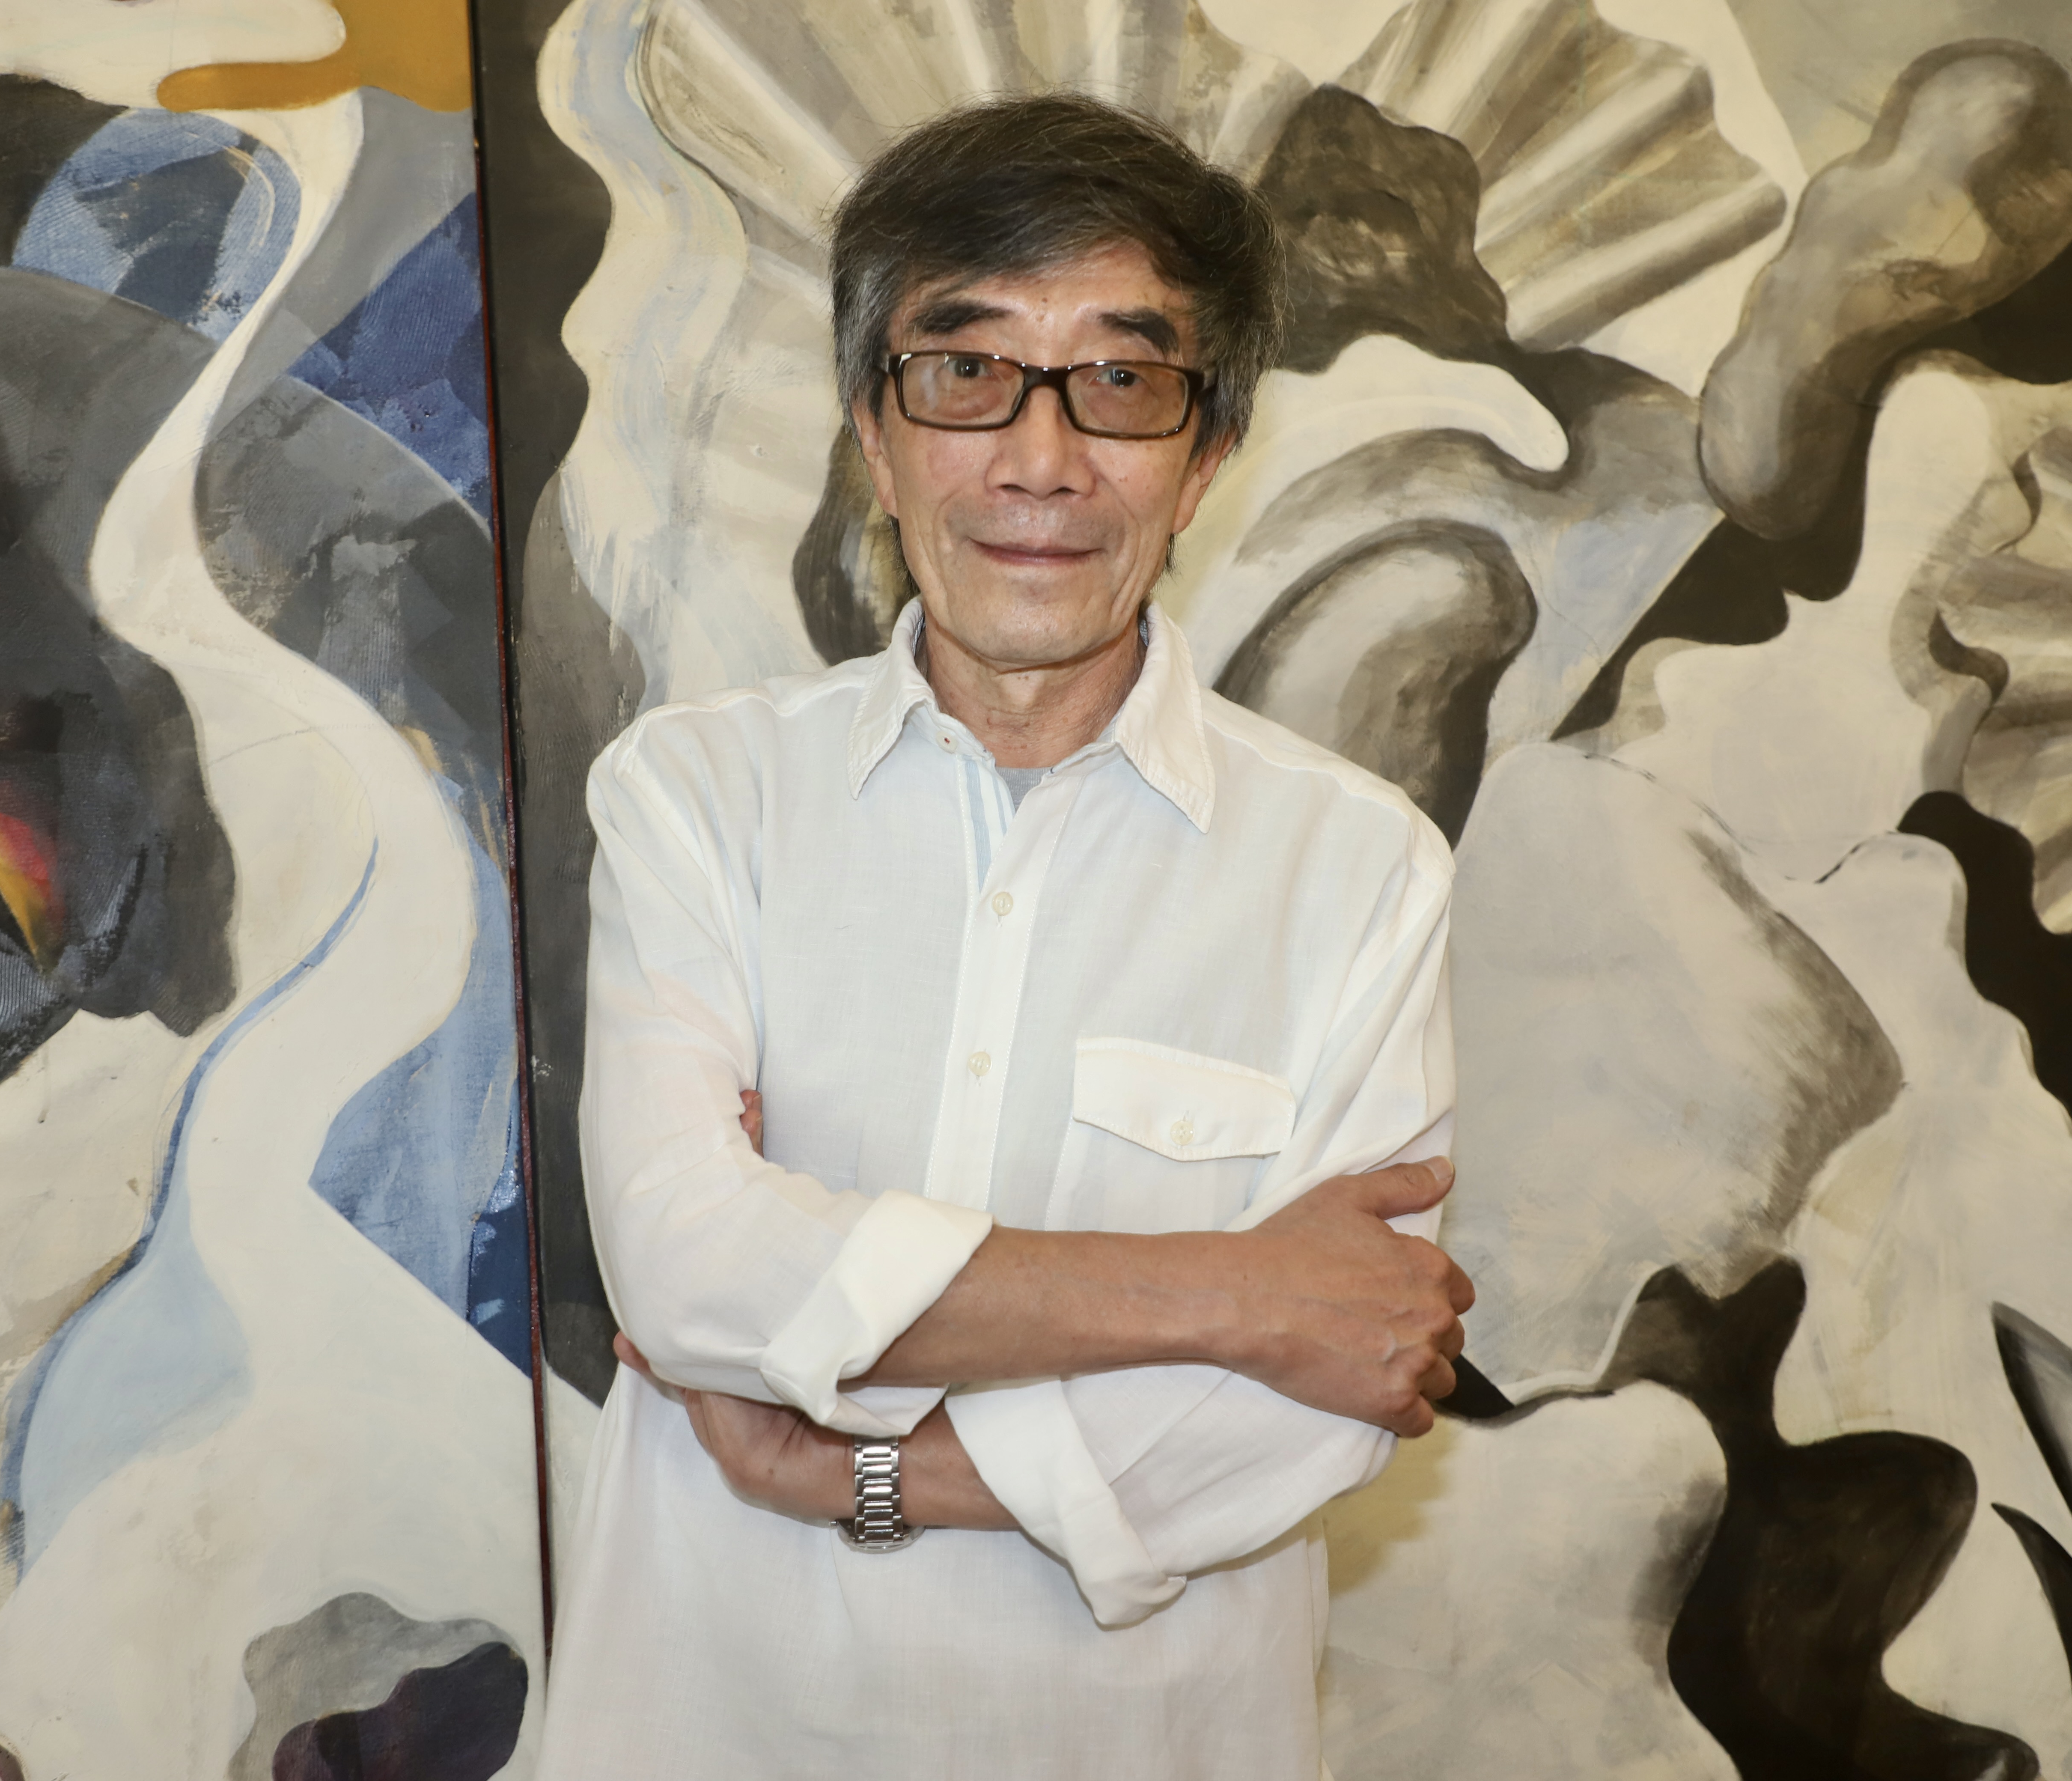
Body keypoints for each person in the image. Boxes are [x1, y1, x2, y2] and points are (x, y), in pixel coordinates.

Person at [538, 92, 1473, 1780]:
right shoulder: (697, 796)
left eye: (1120, 380)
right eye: (965, 371)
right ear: (873, 432)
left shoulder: (1360, 870)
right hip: (706, 1723)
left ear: (1206, 454)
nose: (1041, 459)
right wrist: (1237, 1290)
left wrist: (859, 1468)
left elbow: (1321, 1399)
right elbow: (685, 1269)